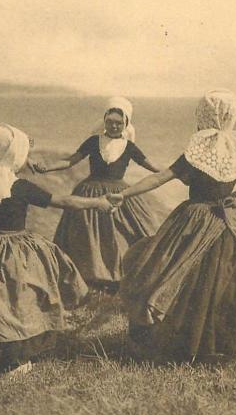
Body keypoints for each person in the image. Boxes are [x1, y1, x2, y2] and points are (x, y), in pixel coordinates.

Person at [110, 89, 236, 363]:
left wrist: (124, 194)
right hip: (230, 222)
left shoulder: (198, 151)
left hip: (195, 219)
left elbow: (160, 178)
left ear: (206, 115)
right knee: (221, 283)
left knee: (171, 272)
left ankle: (180, 342)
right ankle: (214, 345)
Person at [0, 124, 114, 375]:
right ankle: (12, 360)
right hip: (16, 251)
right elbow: (63, 201)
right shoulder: (18, 186)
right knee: (20, 301)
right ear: (15, 155)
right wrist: (98, 202)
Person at [36, 97, 161, 293]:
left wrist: (176, 173)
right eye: (109, 121)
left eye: (118, 123)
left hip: (119, 194)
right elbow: (71, 161)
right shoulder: (94, 141)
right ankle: (90, 279)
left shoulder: (130, 147)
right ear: (104, 120)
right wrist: (47, 167)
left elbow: (152, 167)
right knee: (86, 234)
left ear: (126, 123)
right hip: (90, 191)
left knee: (123, 234)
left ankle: (118, 278)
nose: (113, 126)